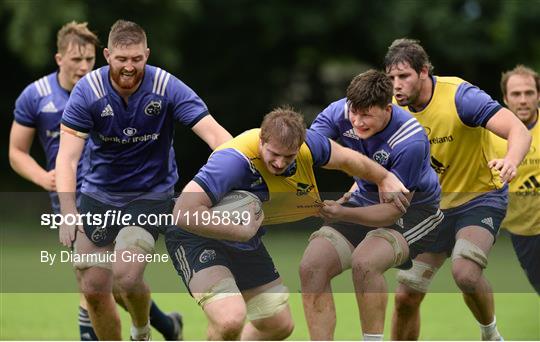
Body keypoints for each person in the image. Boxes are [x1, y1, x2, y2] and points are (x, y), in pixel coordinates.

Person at [55, 19, 232, 340]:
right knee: (94, 288)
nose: (129, 67)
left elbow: (217, 136)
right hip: (99, 196)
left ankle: (141, 332)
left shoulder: (166, 87)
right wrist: (69, 211)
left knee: (125, 275)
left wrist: (231, 176)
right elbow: (67, 158)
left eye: (136, 59)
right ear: (107, 55)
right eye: (122, 59)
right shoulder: (87, 92)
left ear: (147, 54)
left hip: (150, 196)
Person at [167, 106, 410, 340]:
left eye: (288, 156)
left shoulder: (309, 145)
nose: (280, 163)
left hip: (242, 236)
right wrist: (239, 231)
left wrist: (384, 177)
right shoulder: (233, 162)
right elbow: (183, 212)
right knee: (230, 320)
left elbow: (348, 160)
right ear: (262, 141)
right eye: (274, 154)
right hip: (196, 235)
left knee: (277, 325)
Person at [384, 38, 532, 340]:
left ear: (424, 72)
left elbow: (516, 128)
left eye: (403, 76)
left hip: (480, 198)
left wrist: (512, 161)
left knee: (465, 272)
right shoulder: (392, 114)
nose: (396, 85)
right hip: (431, 210)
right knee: (405, 297)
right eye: (391, 78)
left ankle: (491, 334)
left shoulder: (460, 98)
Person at [299, 69, 442, 341]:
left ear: (388, 109)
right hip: (364, 198)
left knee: (365, 262)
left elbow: (391, 210)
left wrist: (341, 212)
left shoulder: (410, 140)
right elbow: (309, 148)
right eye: (354, 112)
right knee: (311, 266)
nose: (357, 121)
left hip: (414, 212)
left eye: (366, 115)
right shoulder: (339, 112)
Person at [491, 65, 540, 294]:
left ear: (538, 95)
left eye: (529, 93)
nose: (523, 100)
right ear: (505, 98)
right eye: (516, 94)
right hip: (523, 233)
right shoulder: (491, 136)